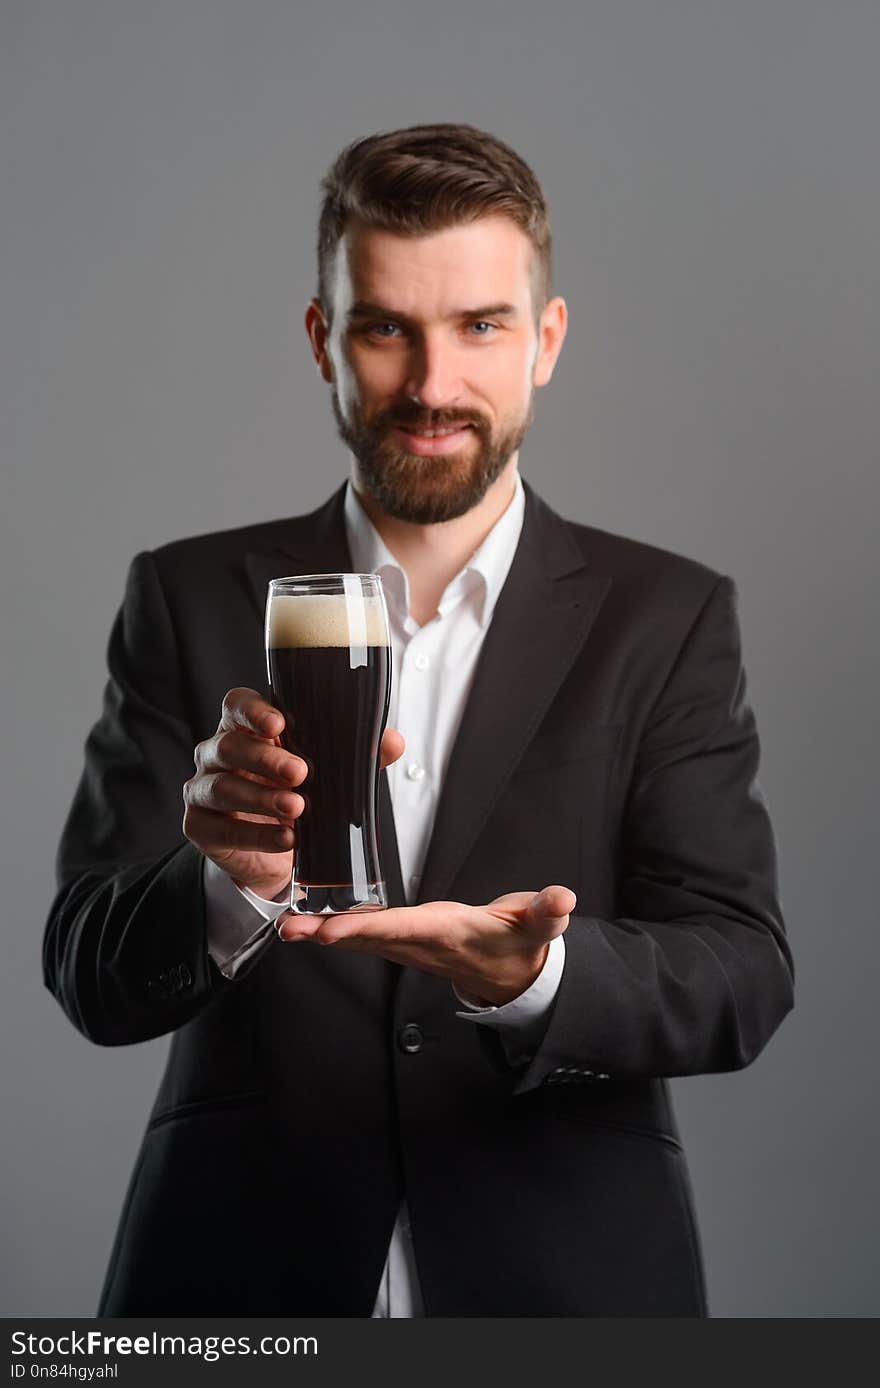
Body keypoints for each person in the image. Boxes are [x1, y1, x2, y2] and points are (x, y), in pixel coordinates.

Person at [44, 123, 794, 1317]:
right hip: (232, 1289)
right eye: (386, 326)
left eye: (480, 325)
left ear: (545, 340)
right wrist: (224, 885)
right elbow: (85, 967)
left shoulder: (669, 613)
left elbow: (742, 972)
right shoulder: (187, 595)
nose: (433, 384)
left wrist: (538, 975)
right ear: (321, 340)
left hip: (568, 1281)